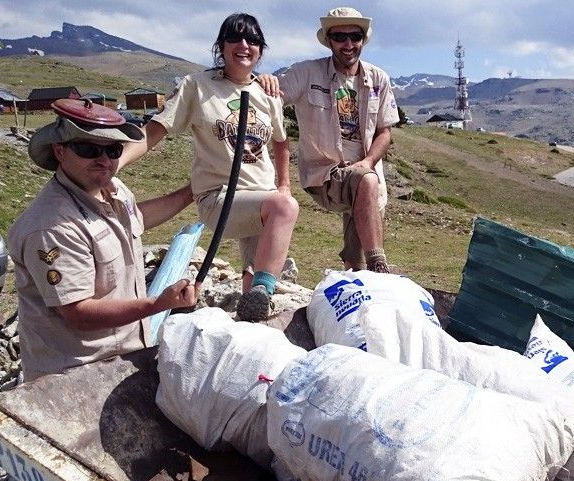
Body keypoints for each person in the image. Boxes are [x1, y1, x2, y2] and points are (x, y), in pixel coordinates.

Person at [120, 13, 298, 322]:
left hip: (263, 197)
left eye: (253, 40)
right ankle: (264, 291)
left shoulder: (266, 94)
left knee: (251, 279)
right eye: (235, 38)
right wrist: (116, 162)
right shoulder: (197, 85)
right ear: (221, 46)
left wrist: (284, 183)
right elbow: (155, 130)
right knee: (284, 209)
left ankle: (251, 323)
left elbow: (281, 141)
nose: (244, 45)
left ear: (260, 50)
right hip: (222, 197)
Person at [8, 99, 197, 381]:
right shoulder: (51, 227)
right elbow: (79, 312)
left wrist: (192, 192)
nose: (104, 160)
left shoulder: (112, 188)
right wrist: (157, 304)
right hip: (73, 375)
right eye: (88, 149)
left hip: (124, 356)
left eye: (113, 149)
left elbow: (136, 220)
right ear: (60, 151)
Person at [259, 6, 399, 273]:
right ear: (329, 40)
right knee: (366, 182)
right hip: (325, 173)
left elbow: (385, 132)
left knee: (357, 263)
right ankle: (381, 268)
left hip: (366, 175)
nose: (348, 44)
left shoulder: (378, 79)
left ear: (363, 39)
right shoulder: (307, 73)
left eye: (355, 37)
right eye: (340, 37)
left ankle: (360, 279)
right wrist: (266, 80)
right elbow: (270, 97)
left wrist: (367, 162)